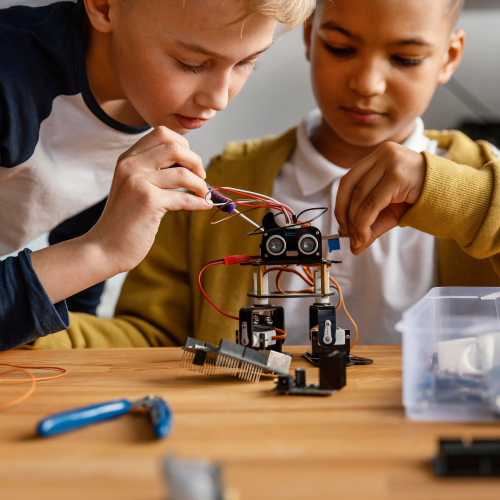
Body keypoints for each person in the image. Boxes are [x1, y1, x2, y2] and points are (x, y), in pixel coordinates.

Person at [24, 0, 500, 350]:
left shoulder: (480, 179)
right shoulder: (220, 184)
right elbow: (152, 342)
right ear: (310, 36)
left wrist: (458, 197)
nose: (367, 83)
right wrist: (25, 324)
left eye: (405, 58)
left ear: (450, 57)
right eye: (340, 47)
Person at [0, 0, 314, 351]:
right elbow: (83, 258)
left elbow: (74, 311)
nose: (219, 98)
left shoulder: (146, 103)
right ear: (104, 7)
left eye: (246, 62)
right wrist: (99, 251)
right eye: (191, 63)